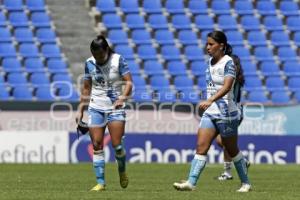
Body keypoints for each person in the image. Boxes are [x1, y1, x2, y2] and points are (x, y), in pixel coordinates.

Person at [173, 31, 251, 192]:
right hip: (211, 112)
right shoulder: (209, 62)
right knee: (201, 146)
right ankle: (191, 183)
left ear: (221, 46)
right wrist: (209, 102)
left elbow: (227, 86)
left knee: (232, 149)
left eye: (211, 44)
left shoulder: (228, 62)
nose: (207, 47)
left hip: (226, 113)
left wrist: (210, 100)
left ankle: (246, 183)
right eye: (207, 44)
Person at [76, 35, 132, 191]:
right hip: (96, 107)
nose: (98, 58)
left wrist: (123, 97)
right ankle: (100, 182)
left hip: (115, 107)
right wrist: (80, 108)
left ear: (106, 50)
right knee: (96, 144)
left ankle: (122, 171)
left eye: (100, 55)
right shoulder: (89, 63)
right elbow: (87, 88)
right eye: (95, 55)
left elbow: (129, 82)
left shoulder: (118, 60)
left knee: (117, 146)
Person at [215, 55, 250, 181]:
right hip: (232, 111)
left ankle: (228, 172)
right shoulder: (235, 77)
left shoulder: (231, 78)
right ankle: (241, 161)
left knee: (224, 141)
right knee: (224, 141)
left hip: (232, 112)